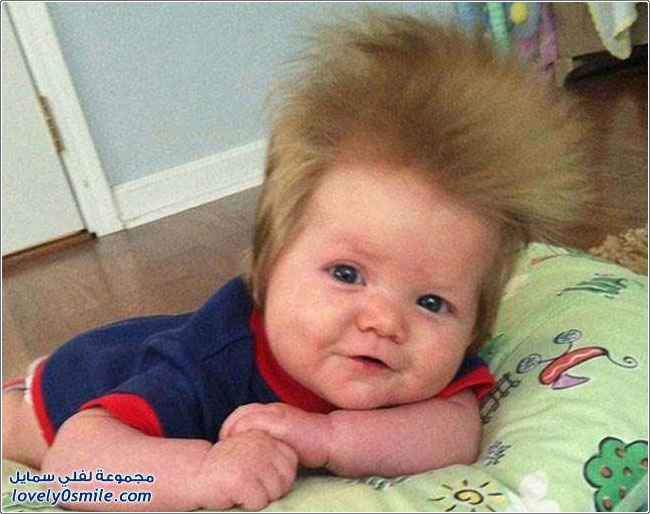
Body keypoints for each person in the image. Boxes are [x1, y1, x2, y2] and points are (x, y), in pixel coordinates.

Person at [2, 11, 593, 512]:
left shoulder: (421, 366)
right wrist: (205, 472)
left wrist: (327, 437)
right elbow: (73, 467)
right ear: (267, 266)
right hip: (72, 389)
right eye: (347, 274)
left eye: (433, 302)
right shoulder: (202, 365)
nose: (385, 321)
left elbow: (455, 432)